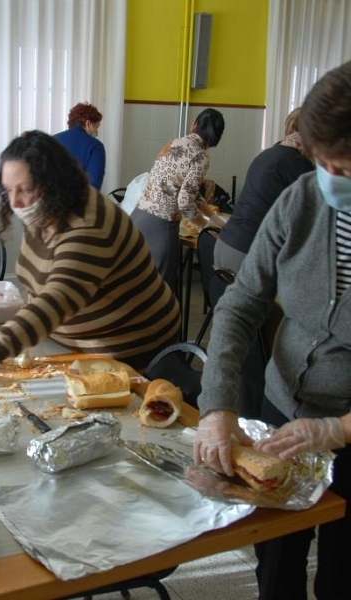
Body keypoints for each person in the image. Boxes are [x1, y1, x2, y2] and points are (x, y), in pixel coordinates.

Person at [193, 60, 351, 600]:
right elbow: (241, 304)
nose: (332, 178)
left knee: (343, 571)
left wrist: (339, 430)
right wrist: (218, 406)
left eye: (346, 168)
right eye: (323, 162)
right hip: (285, 409)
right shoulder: (304, 198)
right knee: (276, 554)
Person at [0, 130, 181, 388]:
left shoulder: (90, 225)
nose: (15, 202)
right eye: (8, 190)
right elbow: (39, 283)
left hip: (129, 351)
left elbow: (59, 297)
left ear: (54, 182)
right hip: (72, 345)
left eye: (25, 189)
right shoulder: (46, 208)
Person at [130, 108, 225, 293]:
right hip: (160, 226)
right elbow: (185, 201)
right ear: (216, 137)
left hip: (139, 218)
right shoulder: (200, 156)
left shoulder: (174, 143)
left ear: (194, 125)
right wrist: (203, 227)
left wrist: (214, 219)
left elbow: (188, 191)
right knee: (161, 293)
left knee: (138, 287)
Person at [214, 108, 315, 273]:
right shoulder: (298, 163)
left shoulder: (268, 154)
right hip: (248, 250)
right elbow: (310, 214)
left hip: (226, 243)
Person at [53, 102, 106, 190]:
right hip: (78, 202)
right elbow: (93, 186)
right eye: (97, 127)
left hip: (49, 201)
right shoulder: (96, 146)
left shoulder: (52, 140)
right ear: (88, 124)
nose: (97, 133)